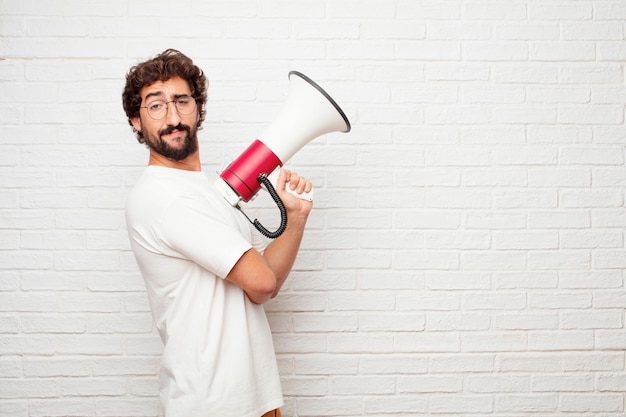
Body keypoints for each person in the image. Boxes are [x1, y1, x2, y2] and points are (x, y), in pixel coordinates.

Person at [122, 49, 312, 417]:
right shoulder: (164, 196)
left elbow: (262, 289)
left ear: (198, 108)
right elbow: (260, 281)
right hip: (212, 403)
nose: (173, 117)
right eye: (156, 105)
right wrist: (261, 277)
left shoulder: (206, 192)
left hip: (255, 398)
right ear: (136, 120)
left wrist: (296, 216)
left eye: (182, 101)